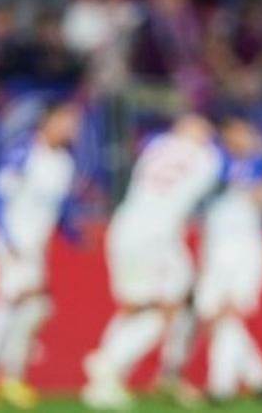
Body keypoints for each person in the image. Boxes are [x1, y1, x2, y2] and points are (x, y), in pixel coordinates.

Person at [81, 113, 223, 410]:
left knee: (137, 306)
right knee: (168, 307)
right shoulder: (208, 157)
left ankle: (105, 383)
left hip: (124, 229)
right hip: (157, 237)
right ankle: (109, 362)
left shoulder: (156, 147)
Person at [0, 99, 83, 409]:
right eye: (66, 121)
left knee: (34, 308)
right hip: (13, 242)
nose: (72, 128)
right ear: (48, 122)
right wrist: (8, 236)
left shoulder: (64, 163)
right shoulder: (25, 153)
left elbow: (58, 209)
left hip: (34, 247)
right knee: (13, 303)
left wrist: (74, 236)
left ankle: (9, 377)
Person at [196, 116, 262, 402]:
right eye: (237, 133)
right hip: (215, 251)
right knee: (212, 315)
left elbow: (261, 197)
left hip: (245, 250)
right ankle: (260, 378)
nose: (242, 138)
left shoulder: (256, 163)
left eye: (245, 133)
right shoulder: (210, 163)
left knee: (229, 313)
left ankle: (221, 387)